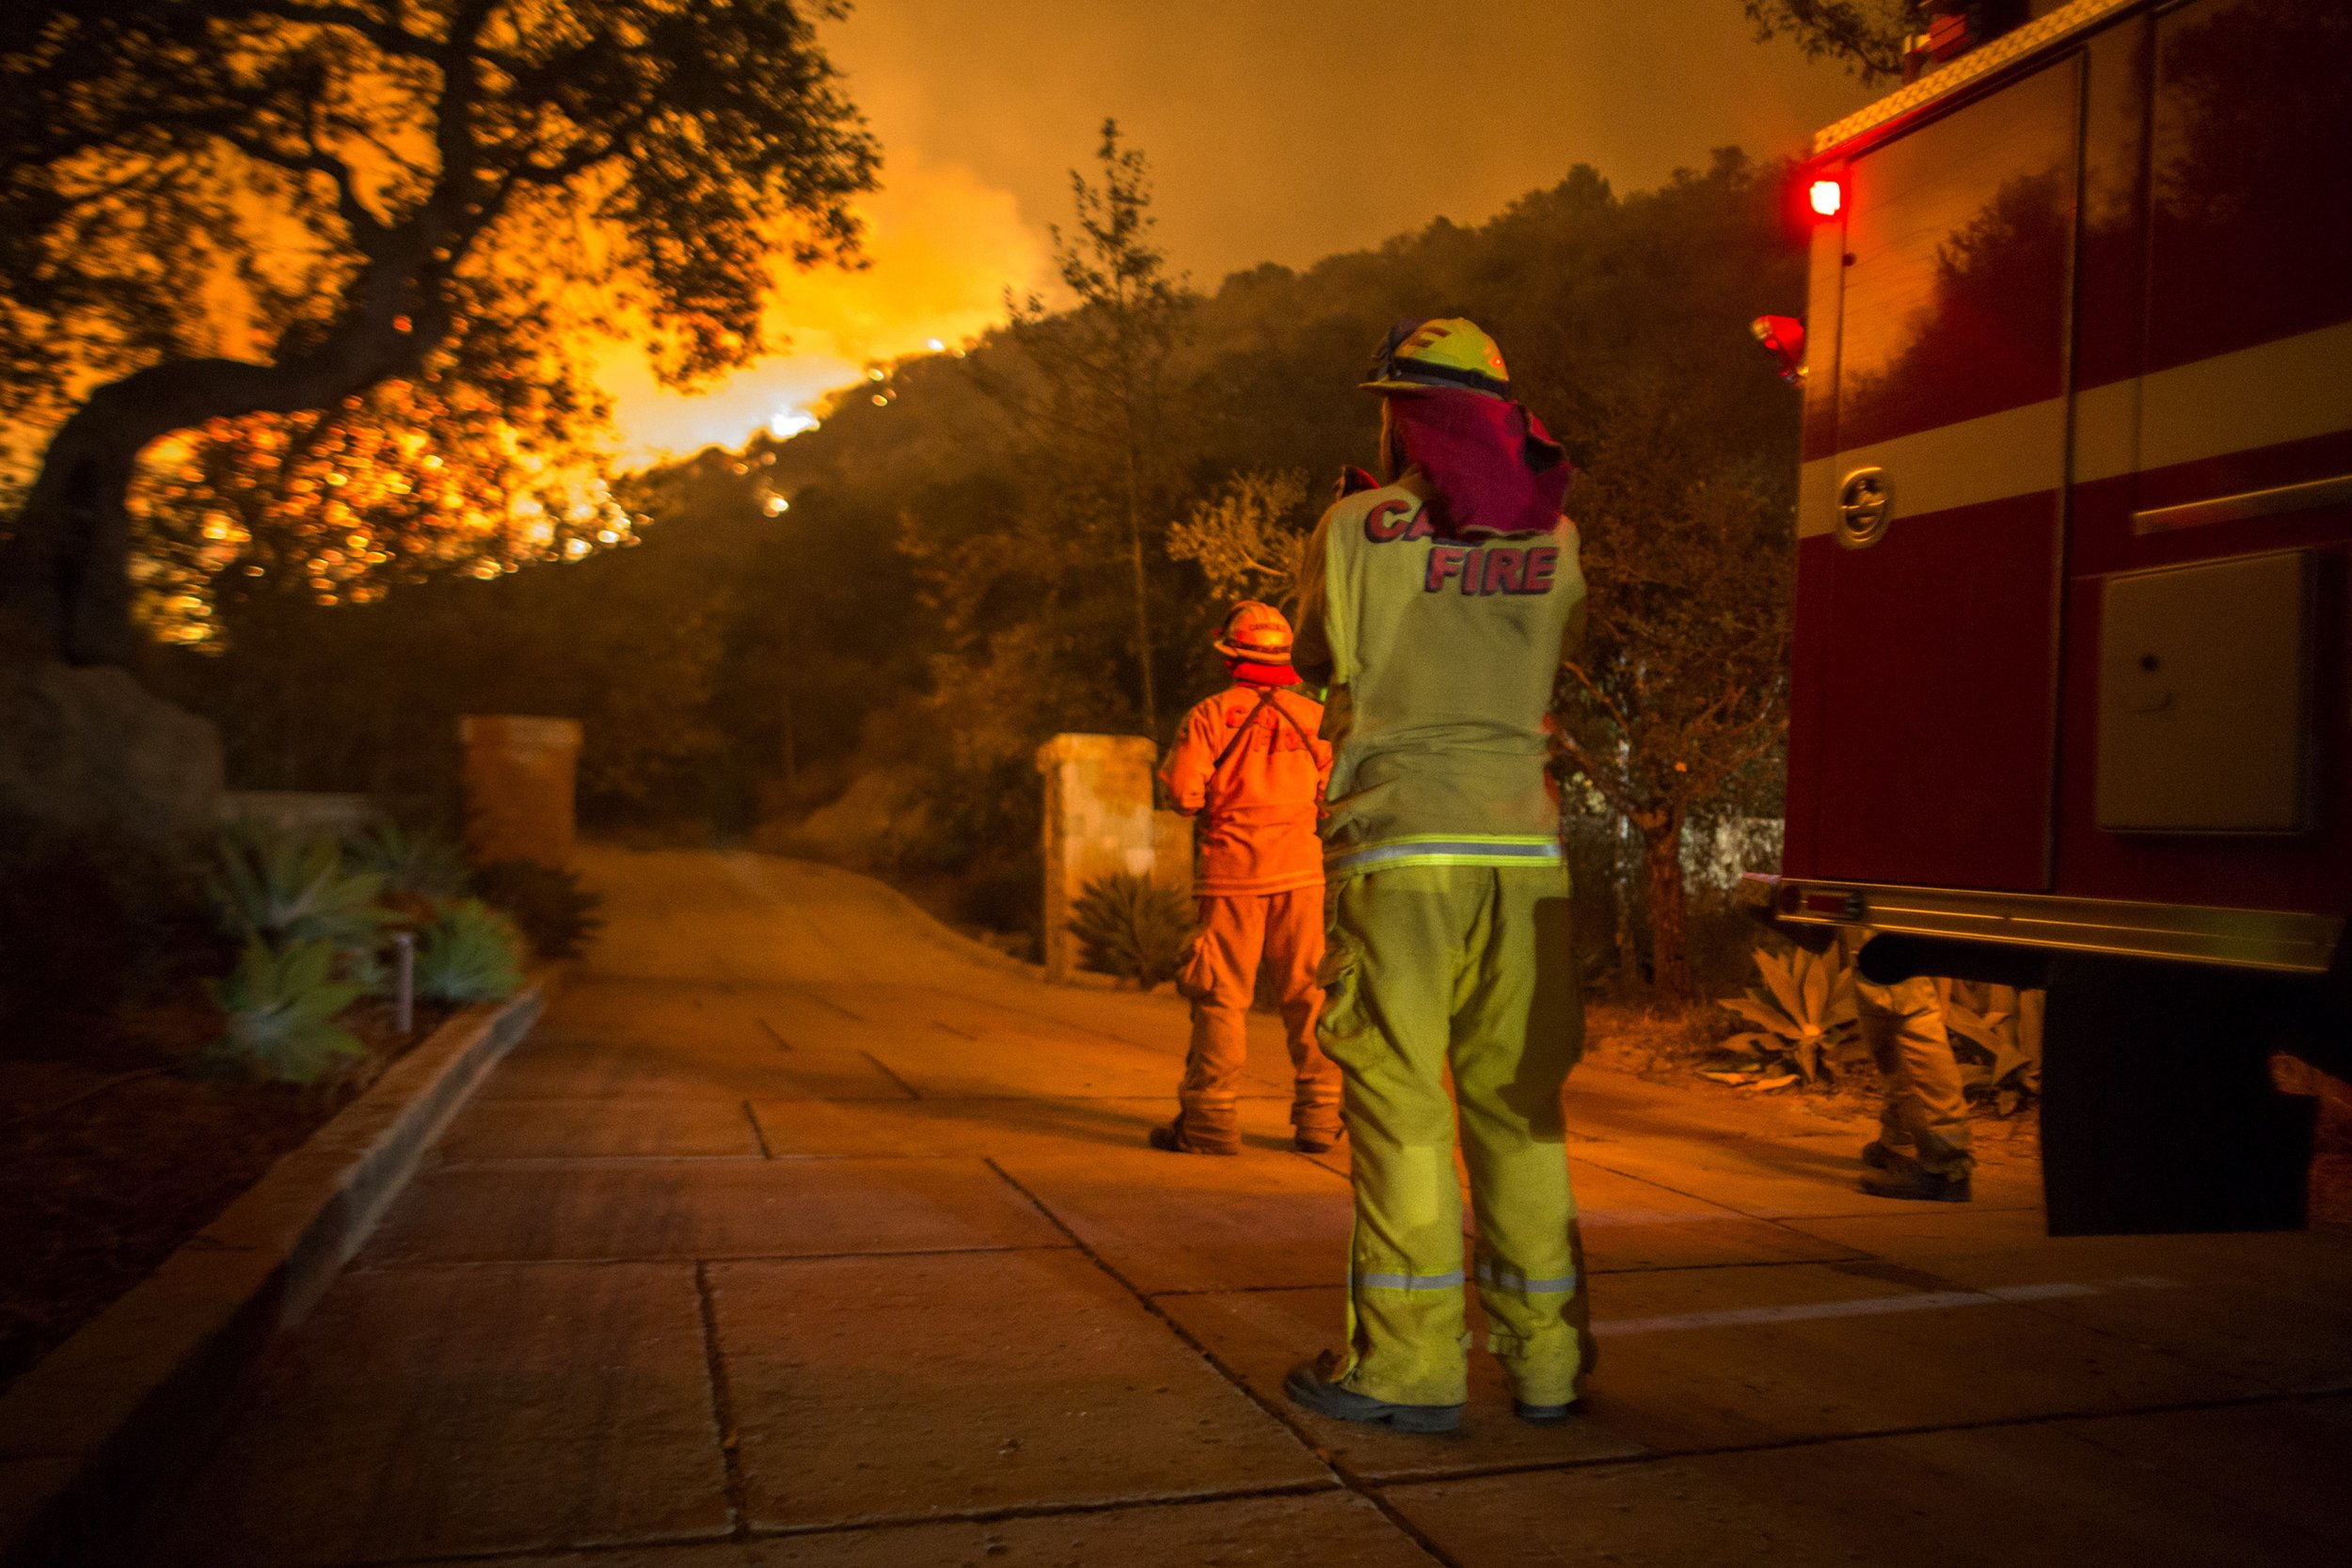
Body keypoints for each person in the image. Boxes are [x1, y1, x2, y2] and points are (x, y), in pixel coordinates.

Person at [1281, 319, 1591, 1434]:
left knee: (1405, 1110)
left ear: (1404, 412)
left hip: (1401, 845)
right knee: (1520, 1110)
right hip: (1525, 850)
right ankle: (1546, 1363)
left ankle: (1410, 1369)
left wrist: (1363, 534)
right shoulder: (1560, 538)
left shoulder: (1357, 524)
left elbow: (1316, 654)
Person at [1153, 601, 1343, 1156]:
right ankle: (1318, 1118)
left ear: (1231, 656)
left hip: (1231, 876)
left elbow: (1184, 794)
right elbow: (1333, 797)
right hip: (1303, 874)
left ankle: (1210, 1123)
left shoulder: (1209, 716)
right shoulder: (1315, 718)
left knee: (1220, 997)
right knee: (1309, 994)